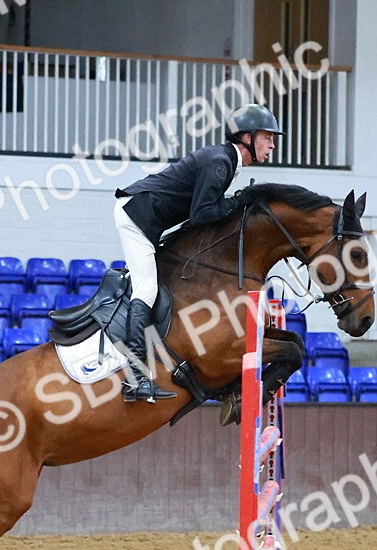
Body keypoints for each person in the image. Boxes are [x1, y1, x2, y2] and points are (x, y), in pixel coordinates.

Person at [112, 104, 283, 402]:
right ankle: (134, 377)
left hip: (151, 219)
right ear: (247, 137)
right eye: (267, 136)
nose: (272, 143)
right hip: (136, 216)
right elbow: (202, 215)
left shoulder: (224, 162)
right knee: (147, 289)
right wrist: (241, 200)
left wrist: (238, 200)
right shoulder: (219, 163)